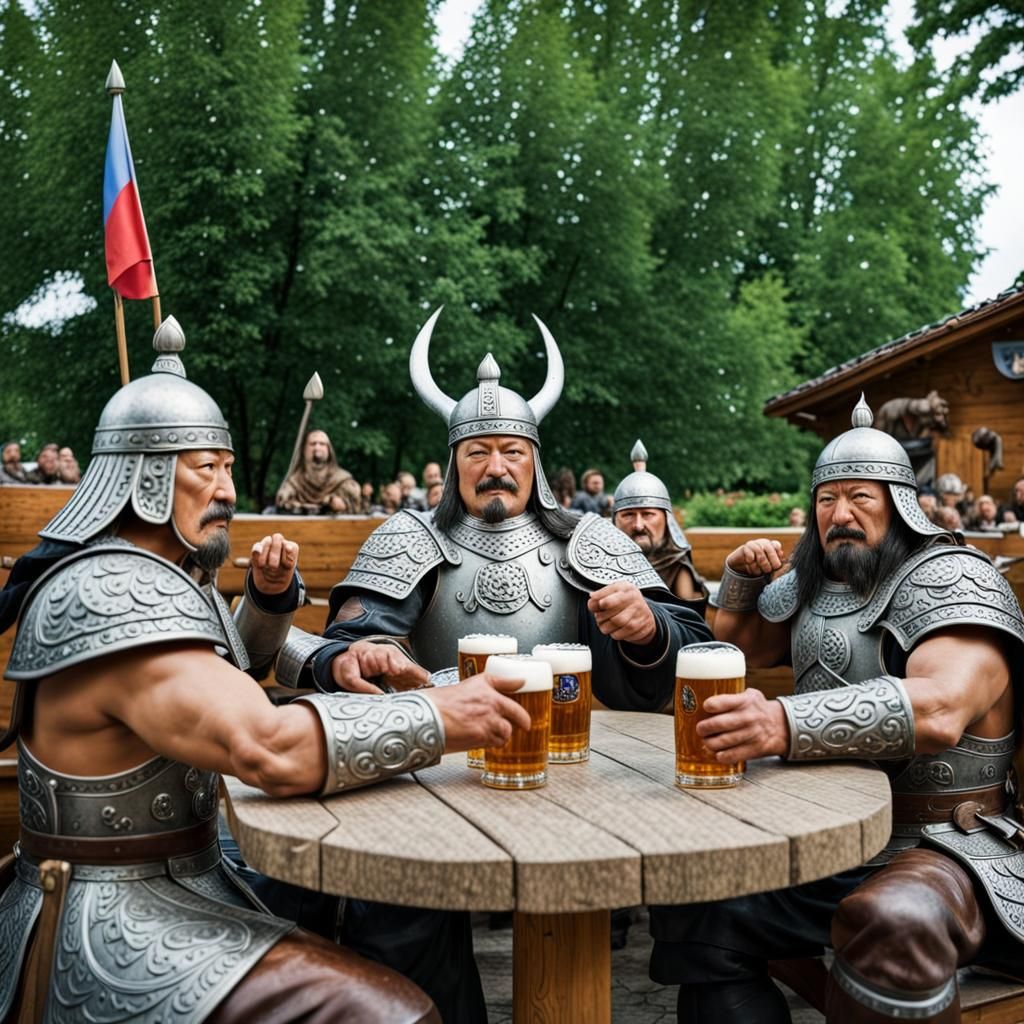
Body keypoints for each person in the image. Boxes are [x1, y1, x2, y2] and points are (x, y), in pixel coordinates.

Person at [0, 317, 530, 1024]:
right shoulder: (109, 592)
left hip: (186, 875)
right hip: (112, 913)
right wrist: (442, 714)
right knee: (390, 1014)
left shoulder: (157, 576)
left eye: (227, 466)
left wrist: (341, 655)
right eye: (205, 468)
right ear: (146, 474)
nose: (226, 489)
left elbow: (237, 659)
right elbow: (266, 747)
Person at [277, 308, 713, 1020]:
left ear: (535, 459)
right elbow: (352, 642)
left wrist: (646, 626)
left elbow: (689, 649)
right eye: (477, 451)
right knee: (398, 916)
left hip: (571, 773)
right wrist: (357, 656)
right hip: (428, 772)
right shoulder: (410, 537)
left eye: (512, 449)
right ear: (454, 462)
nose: (496, 465)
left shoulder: (588, 539)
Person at [648, 395, 1024, 1024]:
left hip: (943, 846)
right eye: (827, 499)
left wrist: (781, 723)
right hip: (829, 836)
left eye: (860, 498)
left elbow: (940, 709)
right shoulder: (819, 580)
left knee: (890, 922)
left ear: (900, 504)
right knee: (696, 906)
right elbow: (736, 644)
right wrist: (740, 579)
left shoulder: (955, 579)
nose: (839, 514)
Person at [612, 439, 708, 613]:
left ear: (666, 520)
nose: (639, 525)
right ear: (614, 520)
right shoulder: (601, 564)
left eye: (648, 514)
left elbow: (690, 622)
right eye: (628, 515)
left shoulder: (676, 566)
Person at [275, 428, 361, 514]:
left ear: (329, 449)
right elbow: (282, 501)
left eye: (322, 444)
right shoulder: (295, 481)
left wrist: (340, 503)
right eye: (313, 444)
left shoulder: (342, 480)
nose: (317, 447)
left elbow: (355, 505)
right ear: (304, 450)